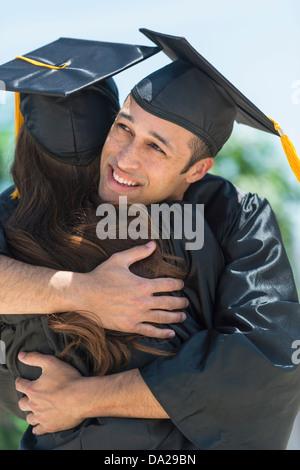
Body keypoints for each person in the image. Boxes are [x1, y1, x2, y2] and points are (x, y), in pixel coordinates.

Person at [1, 29, 300, 450]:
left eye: (156, 148)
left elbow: (264, 358)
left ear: (197, 169)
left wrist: (81, 398)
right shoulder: (37, 210)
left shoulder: (231, 216)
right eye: (123, 128)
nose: (124, 158)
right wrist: (83, 292)